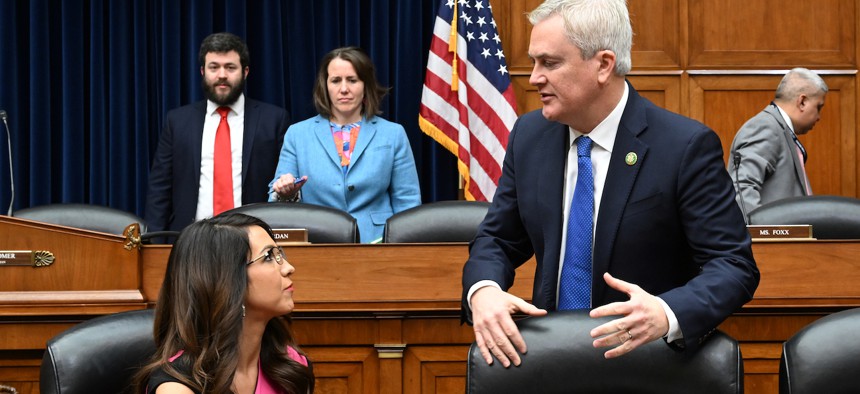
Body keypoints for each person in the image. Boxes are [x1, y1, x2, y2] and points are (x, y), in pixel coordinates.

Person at [462, 0, 760, 368]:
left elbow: (733, 264)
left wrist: (667, 312)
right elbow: (499, 239)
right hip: (550, 359)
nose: (534, 77)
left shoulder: (683, 146)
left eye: (550, 63)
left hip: (645, 363)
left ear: (603, 65)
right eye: (534, 61)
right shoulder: (529, 136)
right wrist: (484, 290)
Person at [135, 213, 314, 393]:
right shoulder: (177, 388)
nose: (289, 268)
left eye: (279, 253)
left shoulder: (291, 367)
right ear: (227, 282)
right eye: (268, 256)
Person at [269, 46, 421, 243]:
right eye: (335, 80)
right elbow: (276, 195)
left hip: (378, 244)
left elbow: (407, 201)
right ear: (325, 86)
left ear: (365, 85)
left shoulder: (393, 134)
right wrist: (285, 190)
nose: (344, 89)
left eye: (352, 80)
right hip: (317, 243)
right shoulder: (297, 134)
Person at [146, 32, 291, 234]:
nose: (222, 74)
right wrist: (154, 242)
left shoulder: (274, 120)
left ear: (245, 72)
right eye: (214, 67)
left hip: (252, 239)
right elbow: (160, 189)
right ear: (202, 71)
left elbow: (283, 184)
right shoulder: (177, 121)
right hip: (191, 240)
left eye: (230, 67)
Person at [728, 67, 828, 216]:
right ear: (802, 102)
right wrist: (761, 234)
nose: (819, 116)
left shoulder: (780, 128)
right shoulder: (766, 127)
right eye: (818, 107)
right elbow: (742, 188)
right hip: (773, 238)